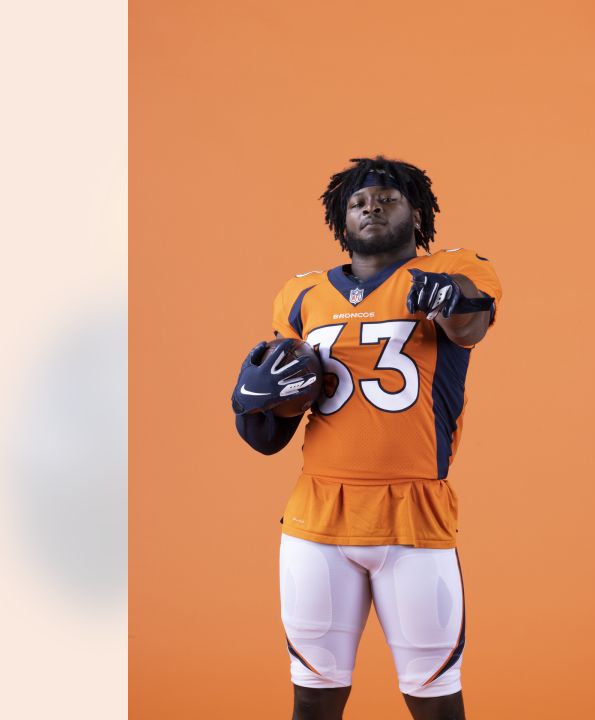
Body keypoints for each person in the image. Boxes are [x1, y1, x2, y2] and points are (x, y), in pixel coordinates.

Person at [230, 156, 502, 720]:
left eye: (387, 199)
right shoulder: (301, 295)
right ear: (340, 218)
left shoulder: (455, 268)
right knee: (313, 697)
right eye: (358, 202)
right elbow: (288, 396)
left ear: (416, 210)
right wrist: (265, 407)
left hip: (413, 513)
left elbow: (470, 322)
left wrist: (452, 300)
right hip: (317, 516)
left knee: (435, 699)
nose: (371, 207)